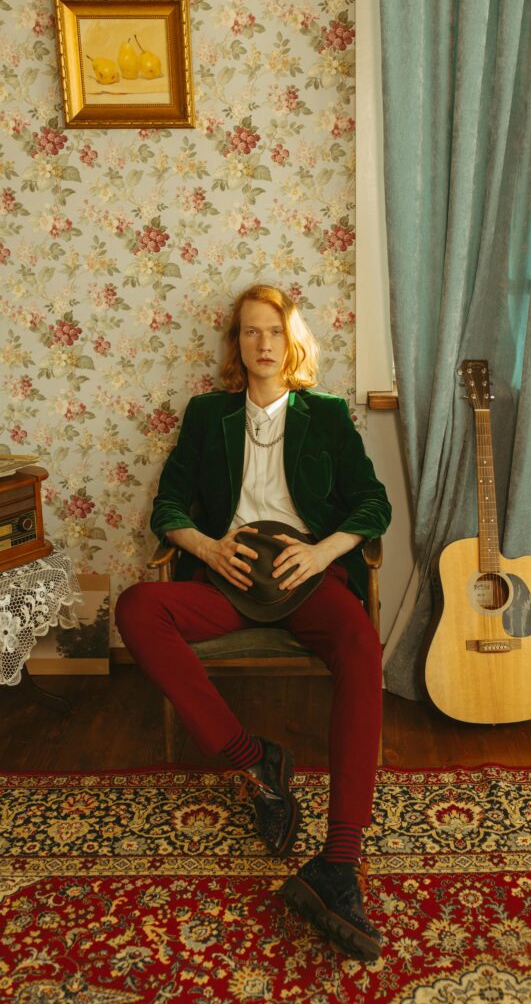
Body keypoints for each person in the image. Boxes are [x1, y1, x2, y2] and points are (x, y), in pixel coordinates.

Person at [115, 283, 391, 961]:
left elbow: (372, 503)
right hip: (232, 578)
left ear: (292, 341)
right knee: (137, 608)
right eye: (250, 331)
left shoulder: (326, 415)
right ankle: (254, 760)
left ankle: (339, 860)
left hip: (307, 576)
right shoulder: (208, 414)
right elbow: (168, 505)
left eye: (274, 330)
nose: (263, 343)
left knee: (361, 646)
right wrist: (208, 548)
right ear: (235, 344)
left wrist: (322, 552)